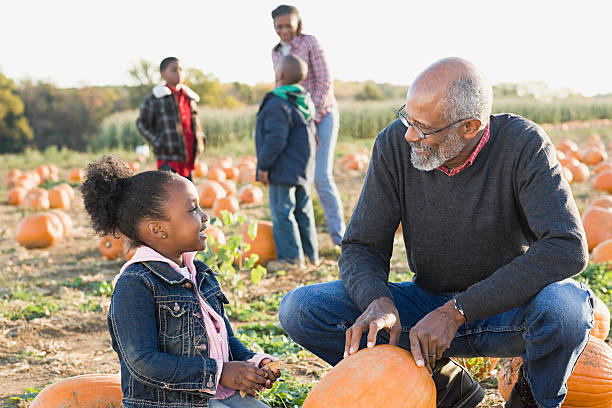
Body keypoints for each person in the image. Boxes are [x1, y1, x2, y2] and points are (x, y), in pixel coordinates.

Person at [279, 57, 594, 408]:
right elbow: (362, 246)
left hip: (510, 308)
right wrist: (377, 301)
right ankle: (446, 386)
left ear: (470, 127)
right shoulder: (394, 145)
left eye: (423, 128)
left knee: (567, 312)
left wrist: (457, 311)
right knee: (302, 308)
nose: (410, 135)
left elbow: (566, 246)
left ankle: (529, 398)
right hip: (425, 307)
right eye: (407, 119)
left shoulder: (524, 145)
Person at [80, 155, 280, 408]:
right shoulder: (135, 284)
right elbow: (143, 361)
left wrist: (253, 363)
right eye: (193, 209)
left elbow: (224, 337)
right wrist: (219, 372)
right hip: (169, 402)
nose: (205, 216)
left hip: (213, 393)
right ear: (158, 229)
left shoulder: (197, 273)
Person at [271, 5, 345, 246]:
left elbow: (324, 83)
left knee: (321, 176)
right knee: (300, 178)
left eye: (288, 25)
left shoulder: (310, 43)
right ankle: (306, 240)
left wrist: (311, 118)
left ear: (297, 23)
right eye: (279, 26)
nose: (284, 31)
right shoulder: (275, 52)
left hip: (322, 115)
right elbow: (280, 86)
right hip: (297, 121)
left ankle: (340, 238)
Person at [255, 54, 319, 271]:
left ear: (279, 74)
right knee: (303, 211)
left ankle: (291, 259)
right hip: (303, 167)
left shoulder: (277, 102)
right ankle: (311, 256)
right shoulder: (304, 101)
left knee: (282, 212)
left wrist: (264, 165)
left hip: (282, 168)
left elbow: (275, 138)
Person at [136, 57, 206, 181]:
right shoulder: (155, 99)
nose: (179, 73)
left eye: (181, 69)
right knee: (169, 197)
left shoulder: (189, 97)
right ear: (163, 73)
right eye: (174, 70)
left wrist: (201, 141)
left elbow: (194, 124)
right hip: (168, 159)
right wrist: (158, 142)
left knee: (188, 196)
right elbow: (142, 124)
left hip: (189, 158)